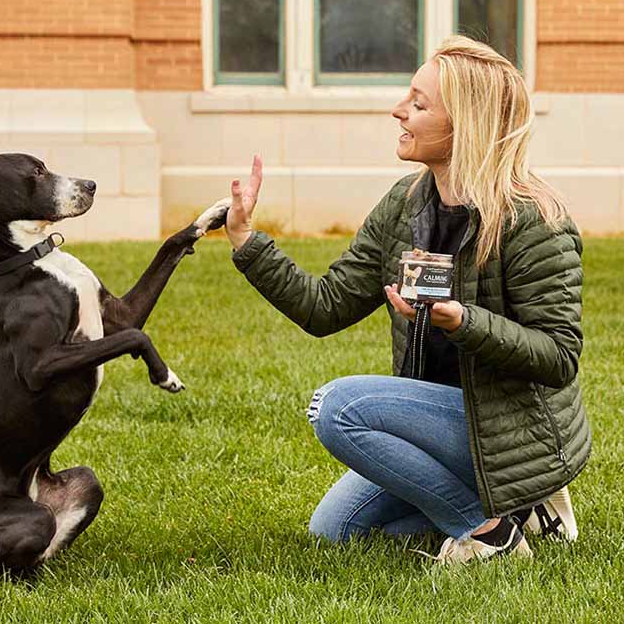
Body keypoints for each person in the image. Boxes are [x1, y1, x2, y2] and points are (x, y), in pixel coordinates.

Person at [224, 35, 588, 565]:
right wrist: (247, 242)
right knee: (335, 530)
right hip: (444, 426)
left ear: (467, 123)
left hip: (516, 427)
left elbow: (559, 357)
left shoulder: (534, 221)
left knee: (336, 408)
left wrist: (464, 322)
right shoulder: (405, 203)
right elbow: (325, 307)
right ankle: (520, 509)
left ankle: (490, 533)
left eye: (419, 104)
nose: (398, 111)